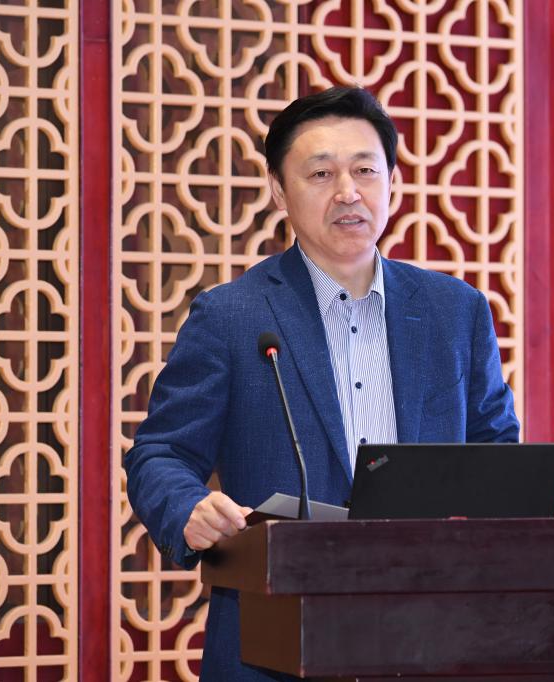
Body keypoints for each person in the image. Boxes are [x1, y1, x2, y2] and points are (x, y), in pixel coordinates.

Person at [124, 86, 520, 681]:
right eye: (320, 173)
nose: (347, 192)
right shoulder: (232, 317)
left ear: (393, 183)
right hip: (275, 638)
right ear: (279, 191)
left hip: (432, 634)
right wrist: (187, 507)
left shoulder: (455, 312)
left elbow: (497, 454)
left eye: (365, 170)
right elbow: (160, 453)